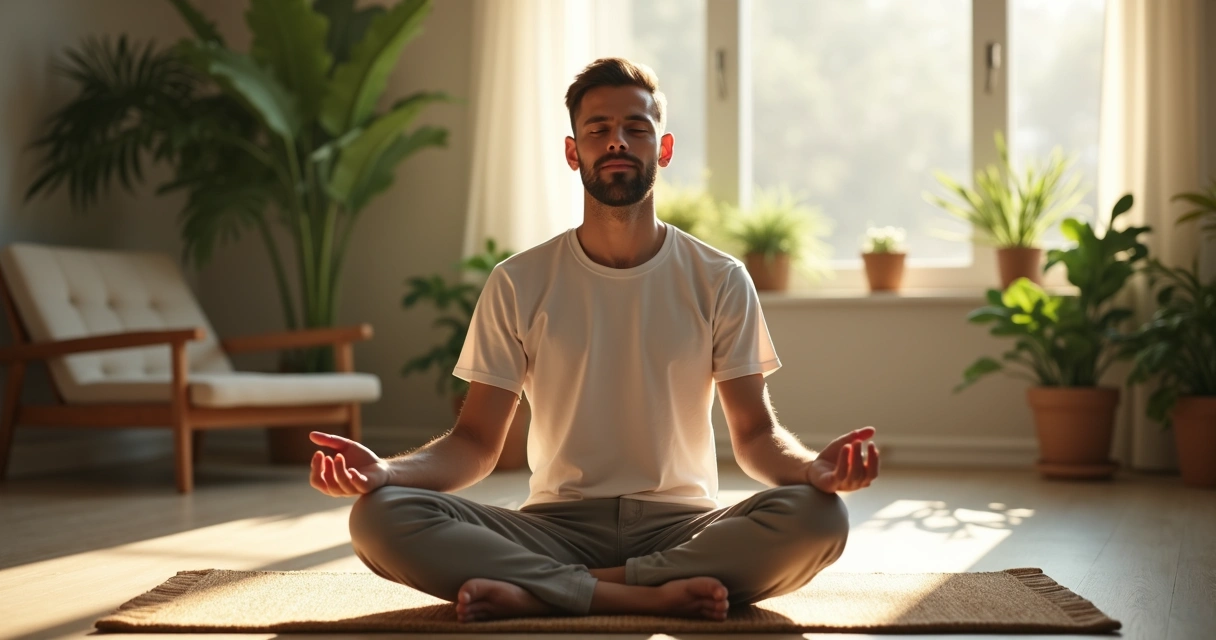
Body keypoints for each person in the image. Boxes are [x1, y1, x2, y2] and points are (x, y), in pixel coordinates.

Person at [308, 57, 880, 623]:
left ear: (664, 148)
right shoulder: (518, 281)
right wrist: (387, 473)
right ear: (572, 151)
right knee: (378, 517)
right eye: (598, 129)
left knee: (820, 517)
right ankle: (638, 594)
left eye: (636, 128)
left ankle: (549, 595)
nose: (617, 142)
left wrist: (813, 471)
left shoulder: (720, 277)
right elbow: (477, 442)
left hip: (682, 526)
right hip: (555, 527)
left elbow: (755, 435)